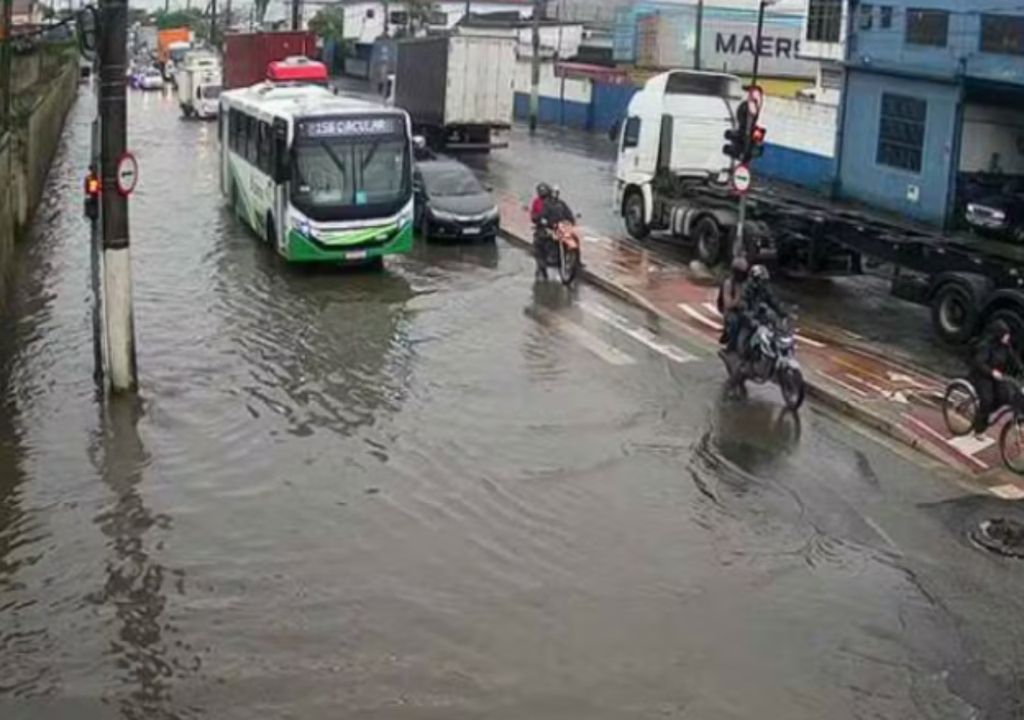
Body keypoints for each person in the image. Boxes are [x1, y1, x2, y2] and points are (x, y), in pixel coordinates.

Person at [969, 319, 1024, 435]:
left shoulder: (1005, 346)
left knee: (1004, 395)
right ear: (998, 335)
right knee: (987, 400)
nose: (1008, 337)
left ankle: (987, 413)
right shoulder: (986, 346)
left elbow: (1014, 361)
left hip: (997, 376)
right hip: (981, 376)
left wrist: (1021, 369)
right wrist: (991, 372)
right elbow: (978, 363)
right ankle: (979, 428)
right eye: (1005, 335)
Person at [735, 264, 786, 360]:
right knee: (743, 346)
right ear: (755, 279)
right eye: (761, 280)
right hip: (748, 321)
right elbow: (743, 308)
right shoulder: (745, 289)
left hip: (761, 318)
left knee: (775, 330)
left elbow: (773, 300)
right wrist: (751, 319)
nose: (763, 283)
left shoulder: (764, 289)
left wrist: (783, 312)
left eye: (764, 281)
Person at [718, 256, 749, 351]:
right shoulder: (729, 284)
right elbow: (728, 304)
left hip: (746, 310)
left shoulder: (747, 283)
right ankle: (731, 346)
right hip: (731, 312)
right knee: (735, 322)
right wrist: (738, 297)